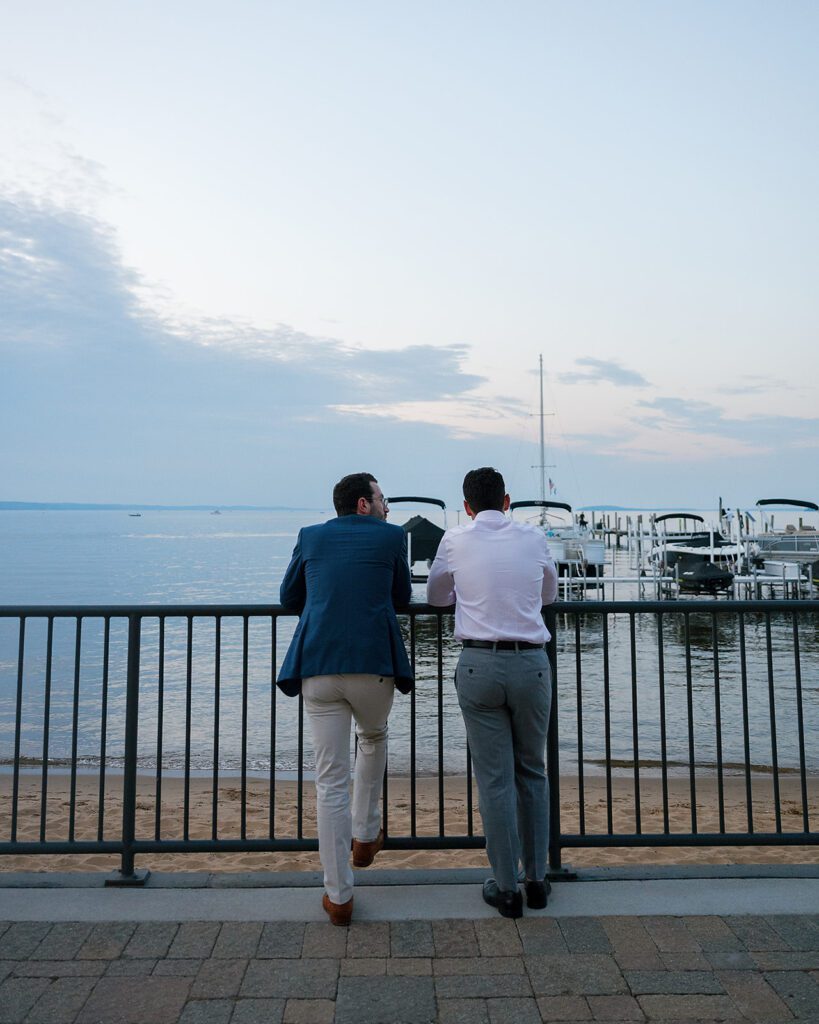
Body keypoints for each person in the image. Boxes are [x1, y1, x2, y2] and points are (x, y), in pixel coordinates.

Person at [277, 472, 413, 926]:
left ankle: (338, 897)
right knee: (373, 737)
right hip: (373, 664)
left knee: (329, 780)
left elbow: (288, 596)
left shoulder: (310, 537)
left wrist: (329, 605)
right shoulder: (394, 538)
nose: (387, 506)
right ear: (362, 504)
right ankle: (365, 833)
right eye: (381, 498)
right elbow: (402, 597)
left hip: (318, 663)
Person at [427, 467, 558, 919]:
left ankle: (506, 889)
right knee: (533, 772)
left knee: (495, 780)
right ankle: (537, 879)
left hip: (479, 663)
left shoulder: (454, 540)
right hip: (531, 664)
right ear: (507, 500)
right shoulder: (534, 538)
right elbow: (549, 595)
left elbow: (436, 598)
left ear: (466, 506)